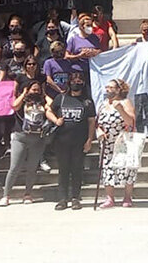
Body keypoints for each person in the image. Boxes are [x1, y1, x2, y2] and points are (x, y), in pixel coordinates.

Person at [46, 71, 95, 210]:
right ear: (69, 82)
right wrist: (56, 120)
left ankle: (75, 198)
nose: (77, 83)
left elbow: (91, 122)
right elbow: (48, 111)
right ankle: (62, 199)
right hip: (61, 141)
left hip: (79, 142)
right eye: (74, 80)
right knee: (63, 170)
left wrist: (90, 140)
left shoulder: (87, 101)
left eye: (80, 80)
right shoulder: (61, 98)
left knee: (77, 170)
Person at [0, 80, 50, 206]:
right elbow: (14, 106)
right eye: (33, 89)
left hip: (37, 138)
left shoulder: (42, 102)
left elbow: (52, 105)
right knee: (14, 167)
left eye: (37, 89)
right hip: (20, 136)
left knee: (32, 168)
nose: (35, 92)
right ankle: (6, 195)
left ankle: (28, 194)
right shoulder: (23, 101)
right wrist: (24, 94)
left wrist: (43, 95)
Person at [97, 78, 138, 208]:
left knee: (127, 168)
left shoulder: (125, 102)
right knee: (107, 168)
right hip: (107, 142)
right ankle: (110, 198)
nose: (108, 89)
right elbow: (98, 122)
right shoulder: (103, 104)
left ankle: (127, 196)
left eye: (111, 87)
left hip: (123, 140)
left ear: (118, 89)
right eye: (107, 87)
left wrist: (120, 109)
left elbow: (131, 121)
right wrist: (98, 131)